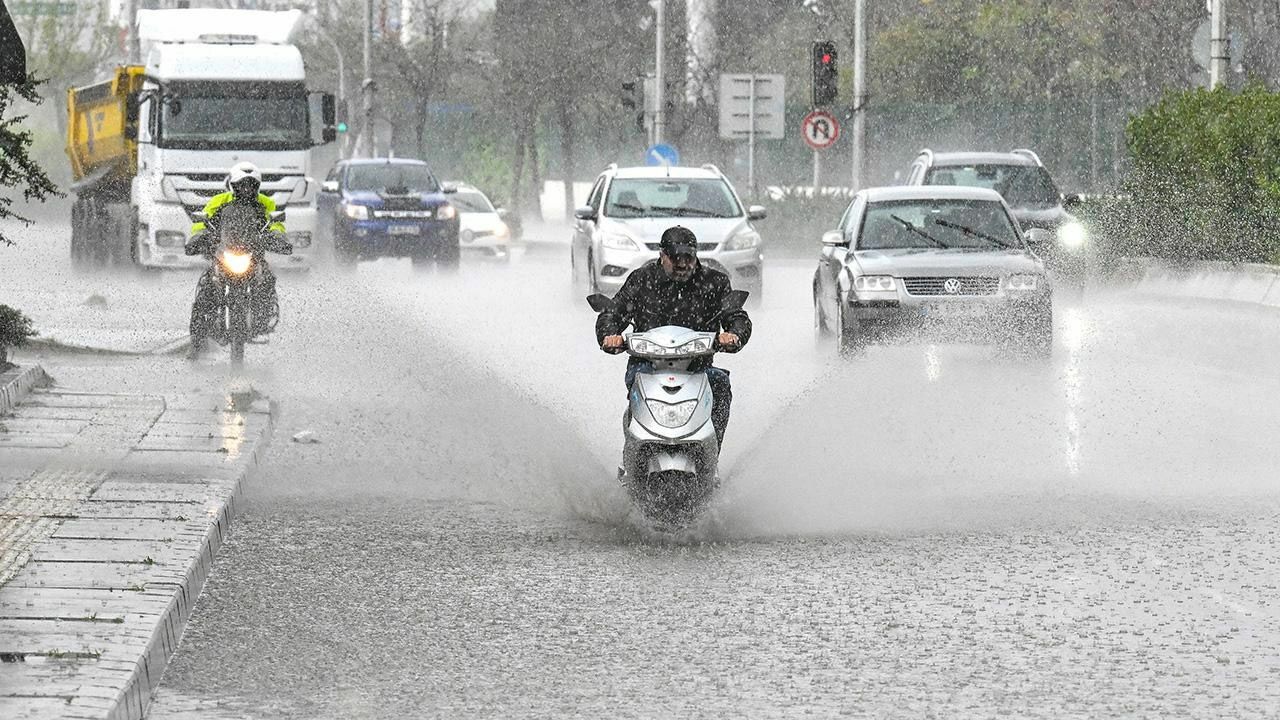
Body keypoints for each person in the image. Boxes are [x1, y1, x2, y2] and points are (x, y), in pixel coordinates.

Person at [596, 225, 751, 449]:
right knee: (637, 380)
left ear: (696, 255)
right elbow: (613, 313)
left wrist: (735, 334)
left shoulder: (714, 282)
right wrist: (610, 335)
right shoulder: (641, 280)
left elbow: (736, 315)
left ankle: (712, 450)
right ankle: (634, 449)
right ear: (662, 255)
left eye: (688, 258)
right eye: (675, 258)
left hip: (698, 368)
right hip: (646, 365)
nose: (682, 264)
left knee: (720, 384)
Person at [185, 162, 291, 358]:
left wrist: (278, 238)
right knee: (206, 289)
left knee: (267, 280)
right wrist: (197, 237)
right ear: (232, 185)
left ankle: (262, 318)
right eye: (242, 185)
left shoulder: (266, 203)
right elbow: (202, 222)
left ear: (257, 186)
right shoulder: (219, 201)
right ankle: (197, 341)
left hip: (252, 256)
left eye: (251, 185)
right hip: (224, 253)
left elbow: (275, 225)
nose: (246, 189)